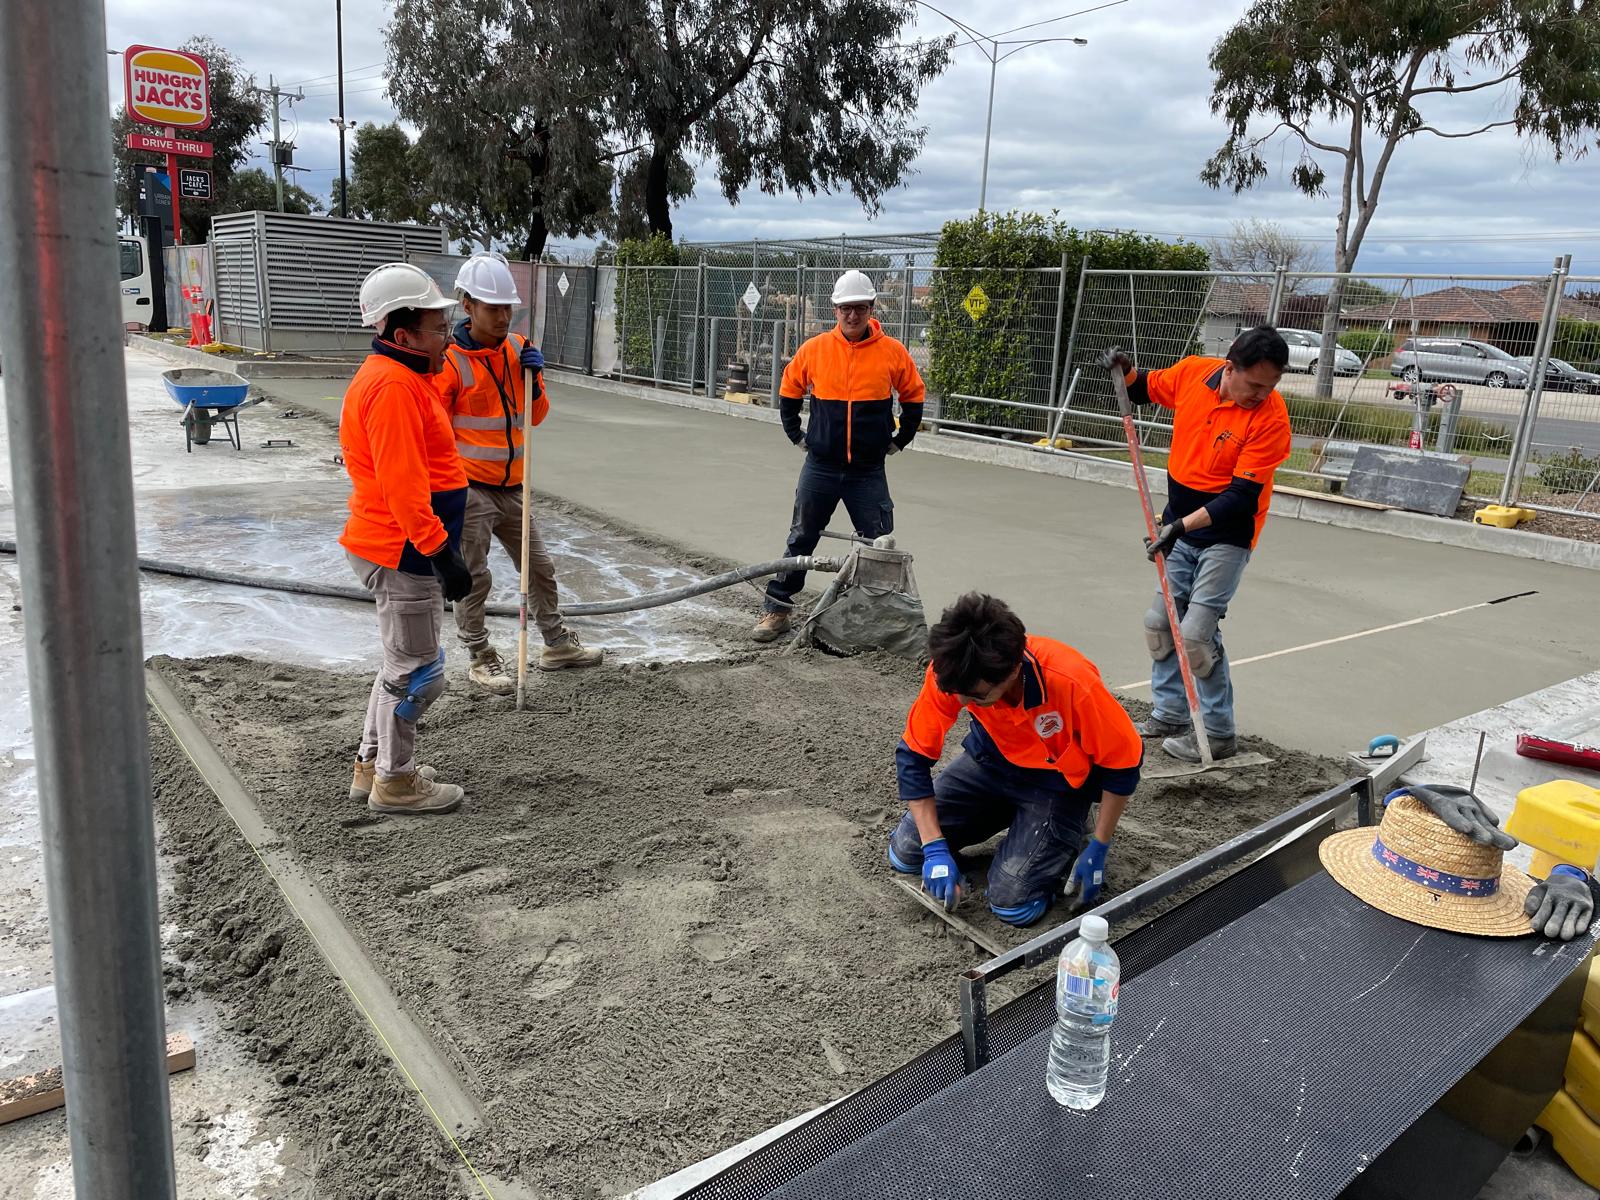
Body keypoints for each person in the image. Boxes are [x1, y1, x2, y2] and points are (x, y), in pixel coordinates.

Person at [887, 593, 1144, 927]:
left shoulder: (1070, 681)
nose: (963, 702)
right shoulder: (954, 669)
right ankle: (1013, 820)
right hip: (990, 763)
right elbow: (913, 757)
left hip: (1057, 786)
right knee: (906, 852)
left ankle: (1067, 833)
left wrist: (1099, 844)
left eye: (977, 697)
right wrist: (935, 848)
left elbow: (1123, 766)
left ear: (1011, 672)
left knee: (1013, 904)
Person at [1102, 327, 1293, 764]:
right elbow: (1147, 388)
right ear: (1230, 369)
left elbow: (1241, 497)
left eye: (1272, 386)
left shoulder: (1271, 418)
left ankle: (1219, 734)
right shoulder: (1192, 374)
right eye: (1255, 385)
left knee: (1196, 636)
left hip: (1227, 535)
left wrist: (1178, 527)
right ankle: (1169, 714)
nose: (1262, 394)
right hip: (1181, 527)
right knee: (1159, 623)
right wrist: (1125, 368)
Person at [433, 252, 602, 694]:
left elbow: (536, 416)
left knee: (539, 568)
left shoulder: (517, 349)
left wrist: (537, 378)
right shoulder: (449, 362)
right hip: (470, 488)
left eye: (508, 307)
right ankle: (479, 654)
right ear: (467, 305)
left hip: (514, 487)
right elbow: (433, 428)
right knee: (473, 575)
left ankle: (555, 643)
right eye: (494, 307)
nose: (504, 316)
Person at [339, 263, 474, 815]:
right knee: (420, 672)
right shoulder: (393, 387)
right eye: (438, 326)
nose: (448, 334)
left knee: (399, 664)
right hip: (403, 549)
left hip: (397, 545)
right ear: (402, 335)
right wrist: (441, 552)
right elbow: (403, 485)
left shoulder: (400, 378)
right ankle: (395, 781)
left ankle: (373, 765)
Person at [752, 270, 926, 642]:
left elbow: (913, 395)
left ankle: (875, 617)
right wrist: (795, 434)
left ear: (871, 309)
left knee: (878, 543)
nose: (852, 315)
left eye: (860, 308)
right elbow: (789, 389)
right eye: (846, 308)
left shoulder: (892, 352)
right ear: (835, 309)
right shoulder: (815, 350)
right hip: (821, 466)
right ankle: (777, 610)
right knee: (801, 537)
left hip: (867, 470)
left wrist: (901, 439)